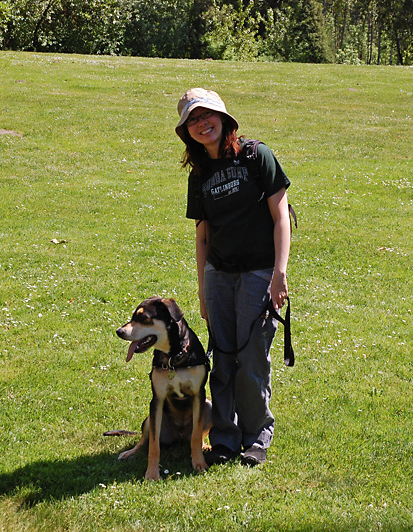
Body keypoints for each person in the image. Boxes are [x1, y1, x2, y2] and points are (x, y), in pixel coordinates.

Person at [175, 88, 291, 467]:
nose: (201, 124)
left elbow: (281, 217)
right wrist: (203, 290)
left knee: (252, 356)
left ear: (223, 118)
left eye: (206, 115)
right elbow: (202, 236)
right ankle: (225, 438)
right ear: (187, 131)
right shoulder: (199, 175)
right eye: (192, 120)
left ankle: (257, 436)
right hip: (219, 276)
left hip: (259, 272)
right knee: (223, 358)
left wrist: (279, 273)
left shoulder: (257, 156)